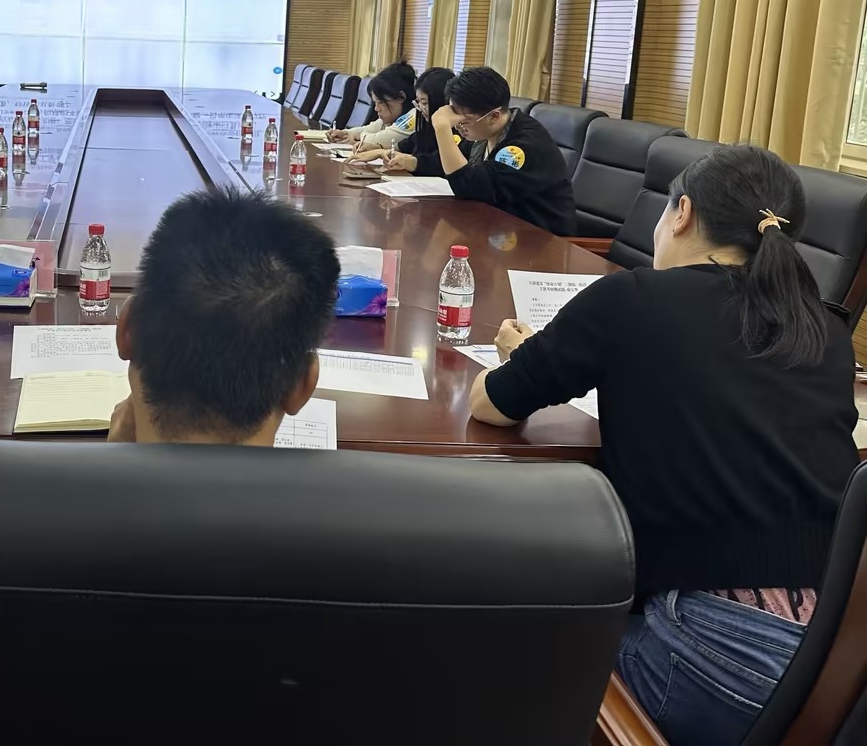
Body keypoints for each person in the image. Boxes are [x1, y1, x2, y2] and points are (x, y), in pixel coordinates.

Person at [468, 144, 857, 746]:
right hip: (835, 666)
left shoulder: (634, 298)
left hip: (713, 657)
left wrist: (520, 357)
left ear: (682, 214)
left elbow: (491, 405)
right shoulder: (825, 329)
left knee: (492, 635)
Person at [107, 187, 340, 445]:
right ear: (302, 385)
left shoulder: (73, 473)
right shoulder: (369, 472)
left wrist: (113, 459)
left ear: (126, 330)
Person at [427, 66, 575, 236]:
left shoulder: (524, 147)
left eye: (463, 121)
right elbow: (448, 163)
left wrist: (442, 128)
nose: (458, 127)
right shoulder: (484, 131)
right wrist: (412, 162)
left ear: (494, 116)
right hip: (497, 230)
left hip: (539, 239)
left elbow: (469, 187)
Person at [347, 66, 469, 177]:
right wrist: (377, 149)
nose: (420, 108)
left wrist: (409, 161)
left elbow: (438, 163)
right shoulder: (426, 125)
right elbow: (408, 145)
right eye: (418, 102)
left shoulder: (461, 131)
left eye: (424, 103)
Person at [326, 63, 416, 147]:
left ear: (401, 97)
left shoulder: (413, 116)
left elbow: (381, 140)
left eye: (381, 102)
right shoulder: (393, 116)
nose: (376, 109)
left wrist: (359, 136)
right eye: (375, 102)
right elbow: (372, 128)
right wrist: (346, 133)